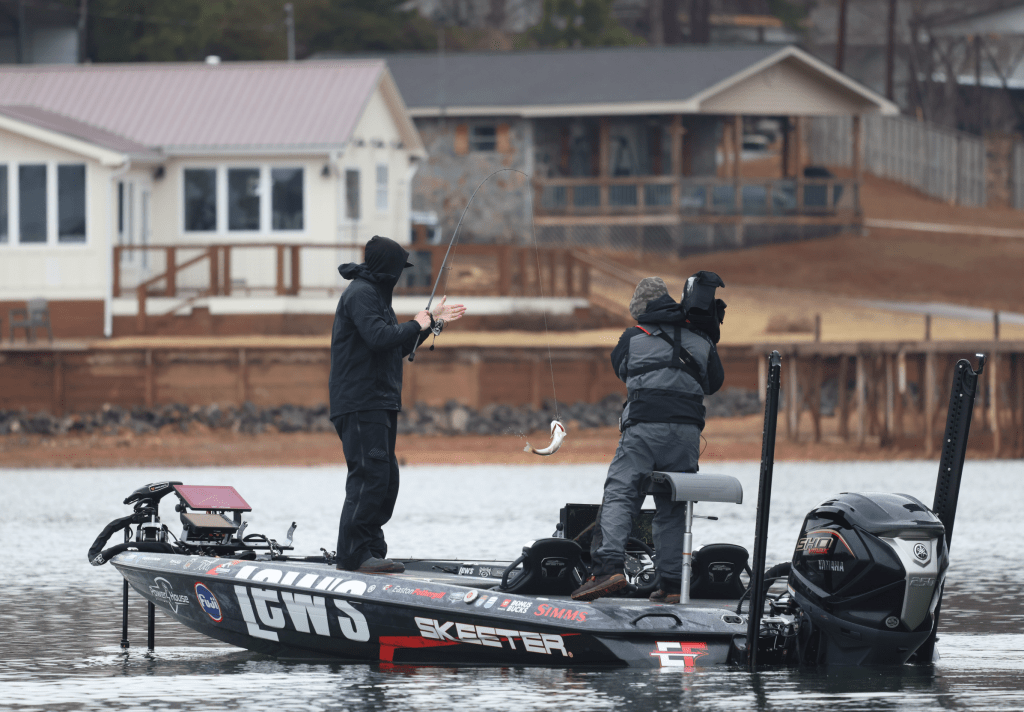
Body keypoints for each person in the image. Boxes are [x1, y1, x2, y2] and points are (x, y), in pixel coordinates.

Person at [571, 272, 726, 603]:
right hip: (686, 437)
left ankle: (608, 569)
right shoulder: (701, 339)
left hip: (643, 431)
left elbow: (621, 368)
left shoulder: (633, 337)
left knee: (621, 493)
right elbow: (714, 383)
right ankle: (672, 584)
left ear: (640, 310)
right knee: (674, 504)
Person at [330, 235, 466, 573]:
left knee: (386, 479)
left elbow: (396, 346)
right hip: (361, 402)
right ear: (387, 268)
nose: (400, 275)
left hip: (379, 403)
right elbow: (378, 338)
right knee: (369, 476)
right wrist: (416, 323)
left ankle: (371, 550)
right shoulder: (361, 294)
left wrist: (431, 323)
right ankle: (353, 555)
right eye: (398, 269)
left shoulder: (376, 296)